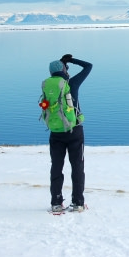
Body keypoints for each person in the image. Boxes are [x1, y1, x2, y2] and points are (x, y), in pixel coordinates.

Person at [48, 54, 92, 212]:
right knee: (77, 167)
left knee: (56, 167)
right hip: (74, 131)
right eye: (66, 68)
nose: (68, 71)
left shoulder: (49, 86)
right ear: (63, 70)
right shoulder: (72, 84)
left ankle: (56, 203)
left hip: (55, 132)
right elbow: (89, 66)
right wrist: (71, 60)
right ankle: (78, 203)